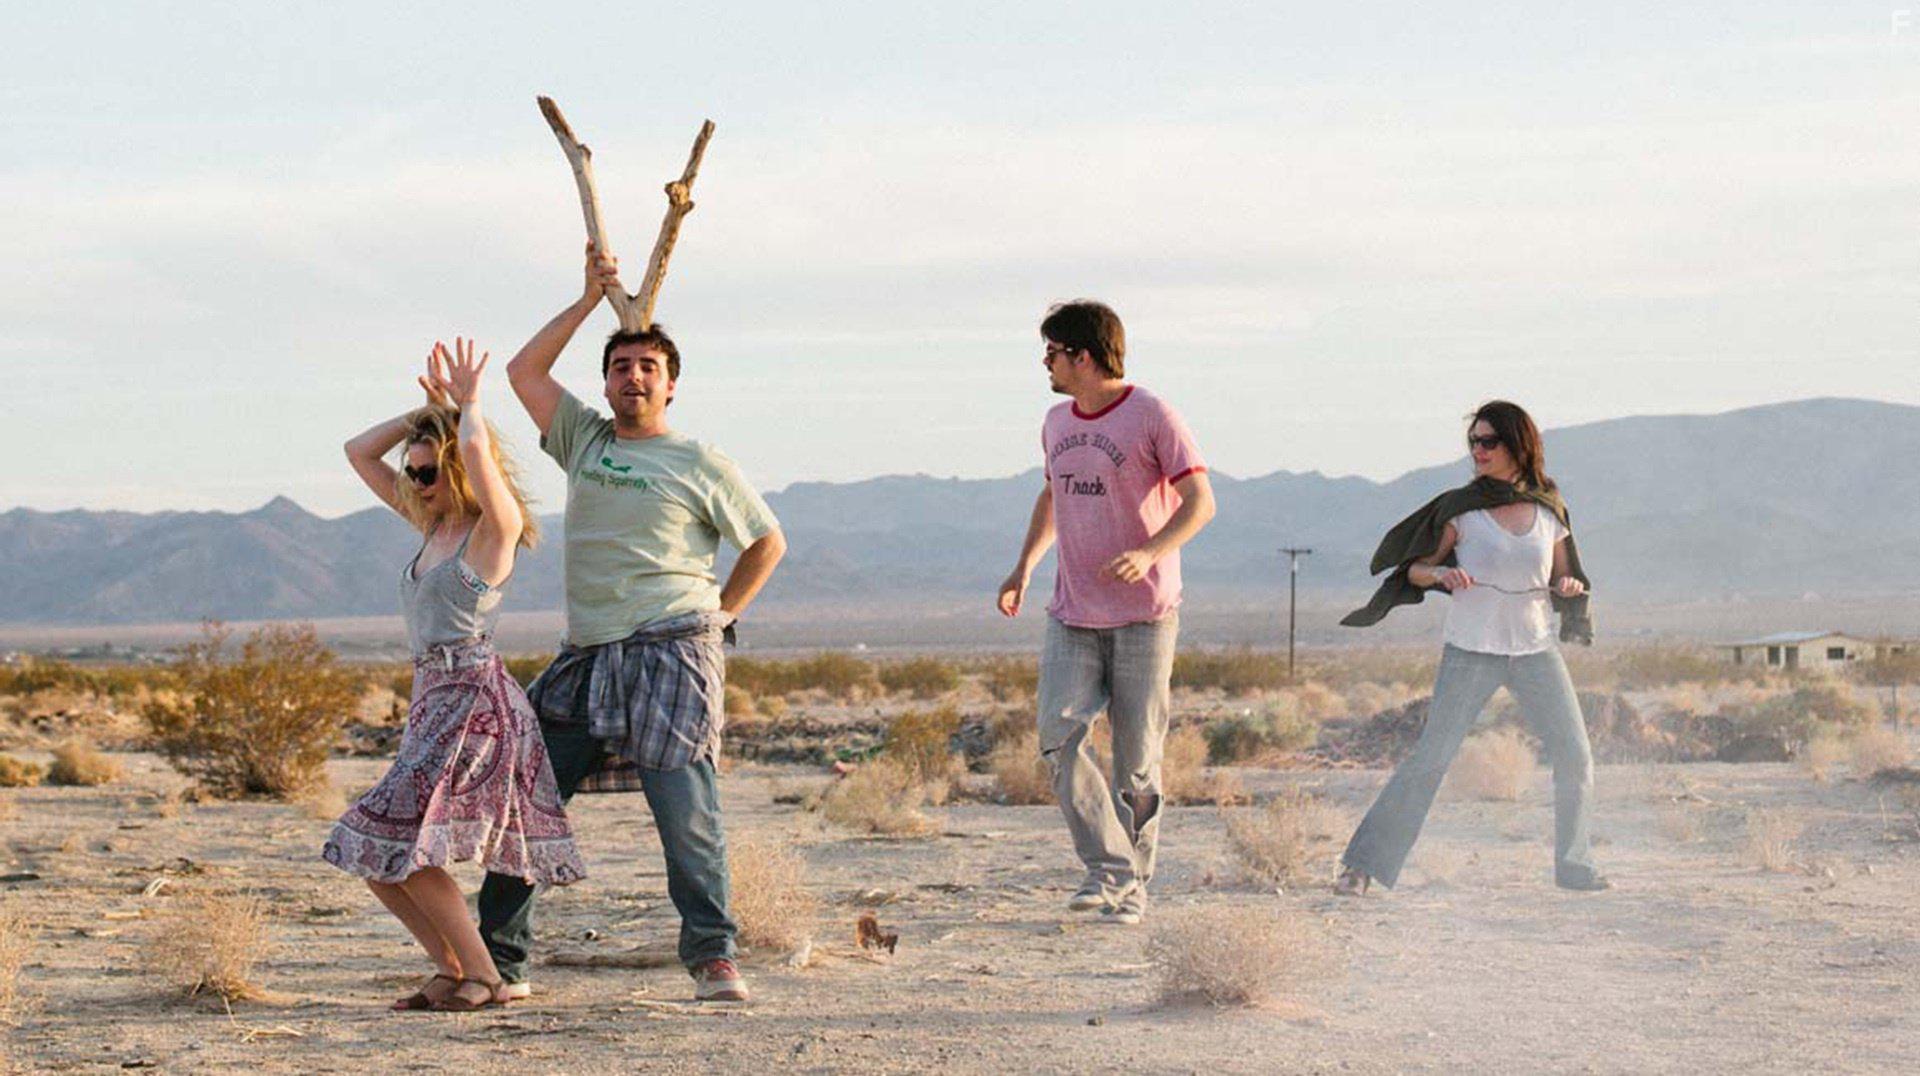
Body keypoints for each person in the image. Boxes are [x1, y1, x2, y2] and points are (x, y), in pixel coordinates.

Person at [478, 244, 787, 1003]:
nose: (634, 376)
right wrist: (588, 299)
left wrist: (722, 617)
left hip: (671, 651)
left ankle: (713, 954)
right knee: (527, 796)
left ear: (671, 384)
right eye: (621, 366)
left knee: (687, 811)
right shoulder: (585, 440)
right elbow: (523, 372)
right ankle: (498, 964)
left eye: (649, 366)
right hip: (586, 655)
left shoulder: (698, 460)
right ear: (606, 382)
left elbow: (766, 542)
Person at [323, 339, 585, 1012]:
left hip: (475, 706)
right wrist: (427, 410)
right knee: (370, 846)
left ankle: (487, 976)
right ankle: (452, 968)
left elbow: (475, 454)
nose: (416, 481)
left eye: (427, 471)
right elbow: (357, 450)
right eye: (411, 472)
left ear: (457, 470)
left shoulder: (491, 531)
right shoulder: (427, 522)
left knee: (406, 849)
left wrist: (468, 408)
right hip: (429, 704)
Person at [996, 300, 1216, 927]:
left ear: (1083, 355)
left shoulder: (1152, 414)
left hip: (1145, 617)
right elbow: (1053, 493)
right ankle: (1109, 870)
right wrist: (1025, 566)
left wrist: (1150, 552)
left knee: (1137, 761)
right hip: (1073, 613)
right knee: (1057, 740)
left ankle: (1132, 886)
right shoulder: (1056, 421)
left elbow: (1201, 502)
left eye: (1053, 352)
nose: (1046, 363)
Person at [1336, 400, 1607, 894]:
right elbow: (1415, 569)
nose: (1478, 451)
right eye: (1473, 442)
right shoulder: (1462, 510)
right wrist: (1440, 573)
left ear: (1517, 444)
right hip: (1471, 650)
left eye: (1488, 442)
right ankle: (1362, 867)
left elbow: (1563, 574)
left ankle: (1575, 865)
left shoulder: (1549, 508)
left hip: (1535, 649)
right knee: (1431, 759)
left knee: (1575, 755)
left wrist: (1567, 588)